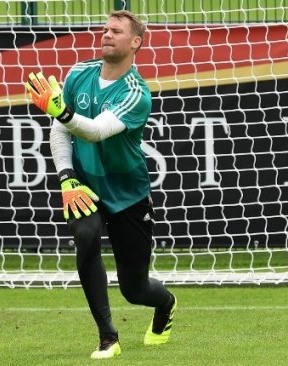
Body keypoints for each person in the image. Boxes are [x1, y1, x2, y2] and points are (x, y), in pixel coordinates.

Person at [25, 10, 177, 359]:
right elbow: (61, 130)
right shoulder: (79, 72)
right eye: (105, 29)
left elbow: (93, 131)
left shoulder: (137, 93)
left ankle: (166, 302)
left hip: (128, 194)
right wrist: (66, 178)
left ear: (135, 42)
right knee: (85, 236)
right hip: (83, 186)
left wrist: (60, 110)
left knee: (134, 289)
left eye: (116, 31)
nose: (106, 34)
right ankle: (108, 336)